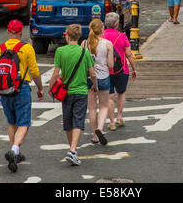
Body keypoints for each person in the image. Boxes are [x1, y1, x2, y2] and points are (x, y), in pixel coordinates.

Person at [0, 20, 44, 173]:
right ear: (21, 33)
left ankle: (15, 153)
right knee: (24, 123)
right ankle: (14, 150)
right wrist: (40, 88)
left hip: (4, 91)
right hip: (22, 89)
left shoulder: (0, 48)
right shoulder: (26, 48)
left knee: (12, 122)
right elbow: (34, 71)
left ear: (8, 32)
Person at [48, 24, 98, 166]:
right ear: (78, 37)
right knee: (78, 120)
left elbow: (56, 73)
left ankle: (73, 149)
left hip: (66, 92)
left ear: (67, 36)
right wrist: (95, 85)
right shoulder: (84, 52)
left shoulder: (60, 51)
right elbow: (92, 74)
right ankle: (73, 150)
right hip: (81, 91)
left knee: (68, 121)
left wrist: (50, 87)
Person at [102, 12, 137, 131]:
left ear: (106, 24)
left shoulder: (101, 36)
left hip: (105, 70)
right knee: (121, 93)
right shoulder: (122, 36)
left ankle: (111, 122)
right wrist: (134, 68)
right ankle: (119, 116)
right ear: (117, 24)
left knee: (109, 97)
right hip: (122, 69)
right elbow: (129, 55)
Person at [82, 19, 114, 145]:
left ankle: (95, 135)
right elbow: (111, 65)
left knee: (92, 108)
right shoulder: (107, 44)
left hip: (89, 78)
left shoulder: (84, 43)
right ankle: (100, 128)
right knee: (104, 106)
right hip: (104, 77)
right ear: (102, 30)